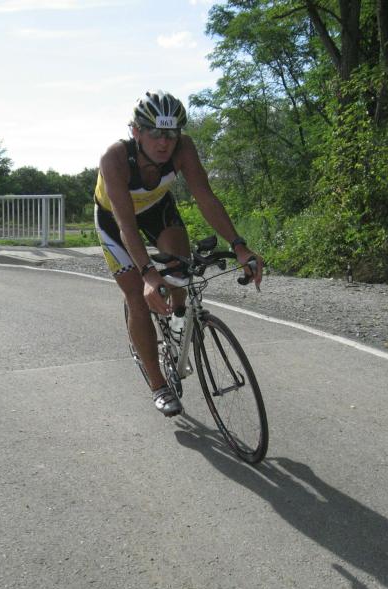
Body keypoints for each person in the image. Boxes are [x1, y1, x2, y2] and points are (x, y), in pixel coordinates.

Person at [94, 90, 263, 417]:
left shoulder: (183, 148)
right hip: (116, 220)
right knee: (138, 296)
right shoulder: (114, 158)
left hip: (157, 209)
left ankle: (175, 326)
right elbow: (126, 225)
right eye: (155, 133)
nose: (164, 143)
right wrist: (148, 275)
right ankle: (158, 384)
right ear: (136, 131)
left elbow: (205, 197)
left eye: (171, 134)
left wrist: (239, 246)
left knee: (180, 276)